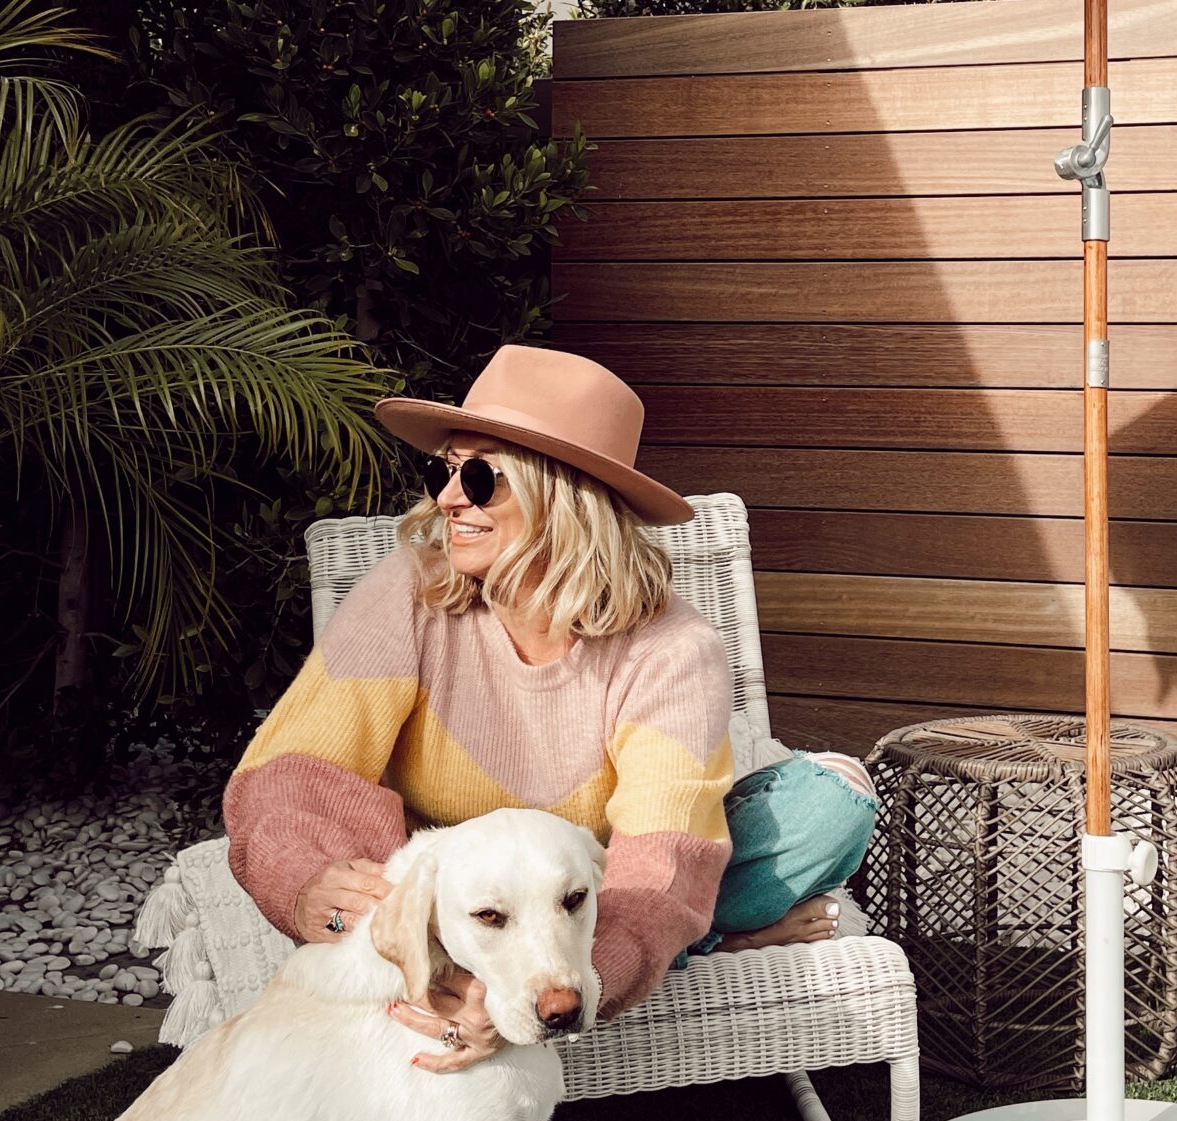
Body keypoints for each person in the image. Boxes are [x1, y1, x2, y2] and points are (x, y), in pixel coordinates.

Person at [223, 346, 877, 1070]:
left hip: (594, 886)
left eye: (478, 477)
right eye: (442, 470)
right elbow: (295, 772)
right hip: (461, 900)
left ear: (563, 497)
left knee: (830, 806)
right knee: (318, 835)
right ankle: (708, 939)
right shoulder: (407, 593)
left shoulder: (671, 647)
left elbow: (659, 859)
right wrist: (310, 884)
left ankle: (654, 949)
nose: (447, 499)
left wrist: (552, 977)